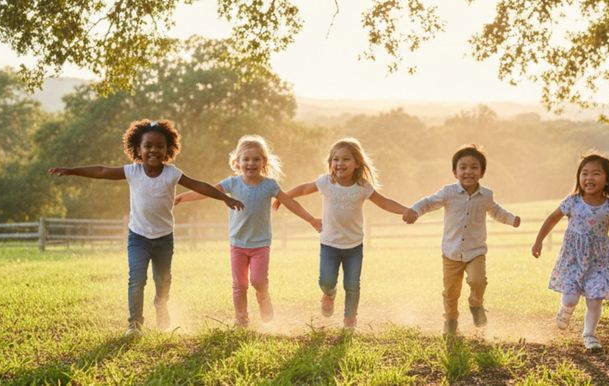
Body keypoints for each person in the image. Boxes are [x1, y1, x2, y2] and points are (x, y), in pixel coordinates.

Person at [48, 119, 243, 337]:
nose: (154, 150)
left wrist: (224, 198)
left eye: (159, 146)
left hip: (164, 238)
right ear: (138, 149)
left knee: (163, 281)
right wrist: (72, 171)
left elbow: (199, 185)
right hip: (138, 237)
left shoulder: (172, 173)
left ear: (168, 149)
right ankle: (135, 324)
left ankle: (161, 306)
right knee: (137, 280)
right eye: (148, 146)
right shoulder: (133, 171)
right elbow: (102, 171)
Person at [174, 135, 321, 327]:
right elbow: (207, 191)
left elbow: (290, 202)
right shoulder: (232, 183)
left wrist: (311, 219)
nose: (251, 163)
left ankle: (263, 297)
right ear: (237, 162)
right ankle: (241, 319)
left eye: (256, 159)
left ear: (263, 162)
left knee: (258, 281)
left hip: (260, 244)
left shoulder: (270, 185)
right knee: (239, 285)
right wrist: (183, 197)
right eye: (246, 159)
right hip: (237, 244)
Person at [274, 137, 410, 329]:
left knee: (352, 284)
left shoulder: (363, 187)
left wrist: (405, 210)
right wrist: (283, 196)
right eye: (335, 159)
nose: (340, 163)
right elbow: (304, 188)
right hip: (329, 244)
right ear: (331, 163)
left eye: (346, 159)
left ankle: (350, 319)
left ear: (356, 163)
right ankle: (329, 294)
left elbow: (384, 202)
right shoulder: (326, 182)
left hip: (354, 246)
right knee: (326, 280)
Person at [531, 152, 609, 350]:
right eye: (584, 173)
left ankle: (589, 334)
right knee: (571, 298)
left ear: (607, 180)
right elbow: (552, 219)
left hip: (599, 260)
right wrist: (538, 241)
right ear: (579, 178)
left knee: (595, 299)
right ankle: (565, 309)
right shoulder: (572, 202)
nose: (589, 178)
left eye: (596, 174)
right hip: (573, 257)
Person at [403, 144, 521, 335]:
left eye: (474, 167)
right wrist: (414, 211)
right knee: (451, 291)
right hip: (451, 252)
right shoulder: (448, 192)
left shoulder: (486, 195)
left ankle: (476, 304)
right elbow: (428, 202)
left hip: (475, 251)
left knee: (478, 281)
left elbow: (496, 211)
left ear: (482, 172)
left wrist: (511, 219)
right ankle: (450, 320)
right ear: (454, 172)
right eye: (463, 167)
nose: (468, 172)